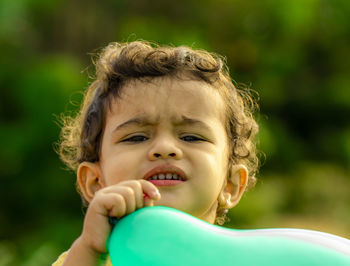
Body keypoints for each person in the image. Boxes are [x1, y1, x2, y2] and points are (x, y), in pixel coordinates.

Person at [53, 40, 259, 265]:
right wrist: (90, 249)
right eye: (137, 137)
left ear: (231, 183)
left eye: (191, 137)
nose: (165, 148)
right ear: (95, 181)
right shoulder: (88, 259)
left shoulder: (246, 259)